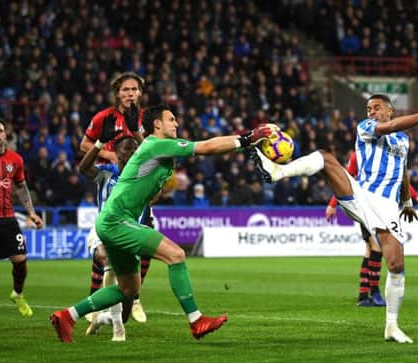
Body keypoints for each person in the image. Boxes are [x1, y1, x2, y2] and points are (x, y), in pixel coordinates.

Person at [50, 104, 274, 343]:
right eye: (171, 119)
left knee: (129, 289)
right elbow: (206, 147)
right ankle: (196, 320)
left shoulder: (154, 149)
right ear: (157, 124)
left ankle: (68, 316)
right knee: (176, 254)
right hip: (117, 220)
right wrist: (247, 138)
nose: (176, 124)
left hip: (112, 221)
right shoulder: (157, 145)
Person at [252, 94, 418, 343]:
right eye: (368, 108)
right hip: (362, 195)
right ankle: (278, 171)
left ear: (389, 109)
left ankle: (391, 326)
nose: (370, 112)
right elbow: (391, 127)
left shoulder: (403, 141)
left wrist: (407, 202)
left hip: (388, 207)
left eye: (376, 108)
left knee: (396, 265)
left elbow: (402, 171)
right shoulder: (367, 127)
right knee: (326, 158)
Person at [80, 71, 151, 323]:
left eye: (134, 90)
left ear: (140, 93)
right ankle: (95, 299)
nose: (130, 94)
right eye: (125, 90)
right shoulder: (104, 117)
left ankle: (136, 298)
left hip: (139, 183)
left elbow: (156, 150)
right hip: (111, 179)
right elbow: (83, 146)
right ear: (117, 93)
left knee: (145, 247)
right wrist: (110, 156)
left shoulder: (147, 118)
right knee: (105, 246)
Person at [325, 150, 418, 307]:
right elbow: (345, 179)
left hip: (383, 206)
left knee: (370, 249)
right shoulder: (358, 155)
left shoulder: (387, 154)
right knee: (376, 248)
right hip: (366, 205)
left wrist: (415, 196)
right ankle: (374, 293)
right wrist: (333, 204)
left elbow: (400, 178)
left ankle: (363, 295)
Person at [79, 114, 139, 341]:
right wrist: (98, 144)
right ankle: (118, 332)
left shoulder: (141, 177)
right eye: (127, 149)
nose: (131, 152)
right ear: (117, 152)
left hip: (129, 231)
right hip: (103, 229)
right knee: (108, 259)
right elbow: (83, 168)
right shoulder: (107, 173)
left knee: (126, 303)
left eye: (135, 149)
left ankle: (103, 319)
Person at [0, 118, 44, 319]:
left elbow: (21, 187)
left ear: (5, 134)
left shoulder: (15, 160)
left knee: (20, 260)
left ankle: (17, 294)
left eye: (0, 131)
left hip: (8, 219)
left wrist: (31, 212)